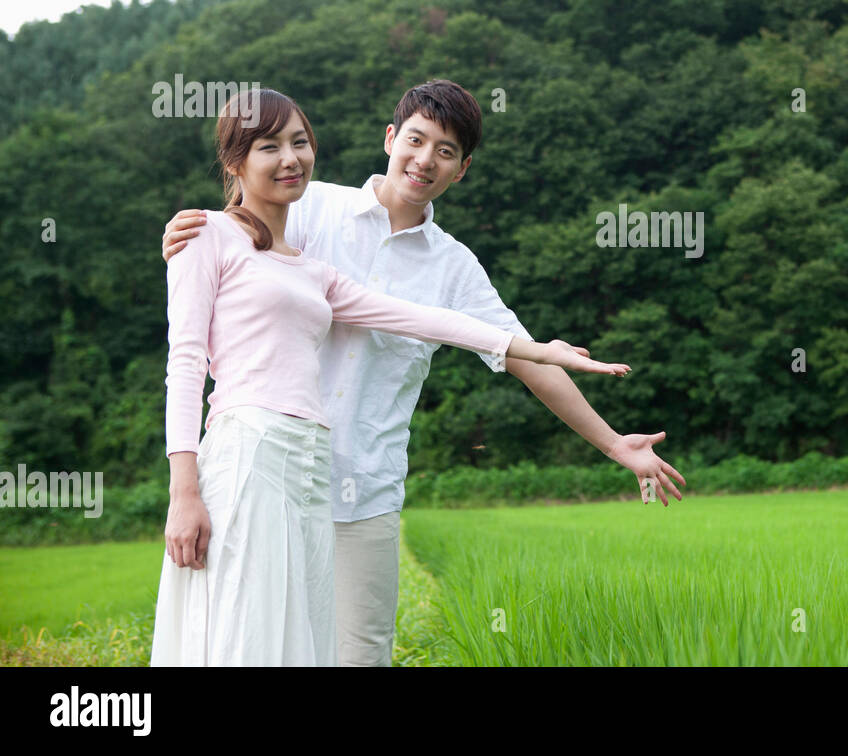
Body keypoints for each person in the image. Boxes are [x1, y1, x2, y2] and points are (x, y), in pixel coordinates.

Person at [163, 79, 686, 666]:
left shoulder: (455, 267)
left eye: (445, 151)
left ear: (461, 169)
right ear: (391, 138)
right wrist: (194, 234)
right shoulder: (308, 203)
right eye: (416, 139)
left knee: (358, 656)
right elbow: (228, 253)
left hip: (365, 486)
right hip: (265, 470)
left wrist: (614, 441)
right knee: (257, 642)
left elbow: (507, 352)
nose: (424, 160)